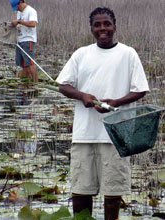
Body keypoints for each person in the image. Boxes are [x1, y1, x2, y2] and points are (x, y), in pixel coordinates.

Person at [56, 7, 149, 220]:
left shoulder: (128, 54)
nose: (102, 29)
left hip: (116, 135)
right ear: (91, 28)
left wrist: (116, 102)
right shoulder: (81, 54)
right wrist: (83, 96)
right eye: (97, 25)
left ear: (114, 26)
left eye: (106, 24)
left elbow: (140, 89)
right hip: (83, 134)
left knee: (113, 193)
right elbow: (63, 85)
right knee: (80, 189)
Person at [10, 0, 38, 82]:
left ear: (21, 3)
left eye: (17, 7)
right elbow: (20, 24)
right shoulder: (19, 12)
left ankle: (35, 82)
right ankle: (26, 83)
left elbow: (33, 24)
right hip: (20, 40)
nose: (17, 10)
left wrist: (19, 21)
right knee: (23, 64)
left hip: (28, 39)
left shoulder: (31, 11)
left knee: (30, 63)